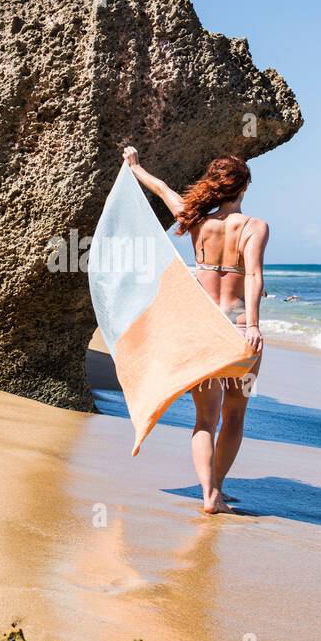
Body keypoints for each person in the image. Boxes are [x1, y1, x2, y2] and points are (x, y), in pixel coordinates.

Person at [122, 146, 268, 514]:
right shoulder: (254, 227)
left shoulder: (197, 220)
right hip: (236, 329)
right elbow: (253, 275)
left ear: (215, 187)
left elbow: (162, 189)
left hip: (201, 329)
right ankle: (217, 488)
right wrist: (252, 324)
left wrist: (135, 166)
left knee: (205, 418)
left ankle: (208, 495)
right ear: (244, 188)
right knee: (235, 414)